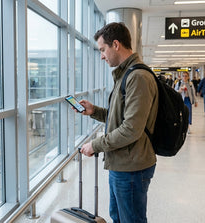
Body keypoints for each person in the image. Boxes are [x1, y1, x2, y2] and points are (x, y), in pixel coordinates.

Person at [76, 22, 158, 223]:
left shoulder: (137, 77)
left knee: (130, 220)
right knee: (119, 218)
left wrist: (95, 145)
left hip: (131, 166)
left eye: (103, 50)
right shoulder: (125, 75)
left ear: (116, 44)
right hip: (122, 163)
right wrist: (94, 111)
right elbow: (120, 119)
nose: (102, 56)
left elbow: (131, 130)